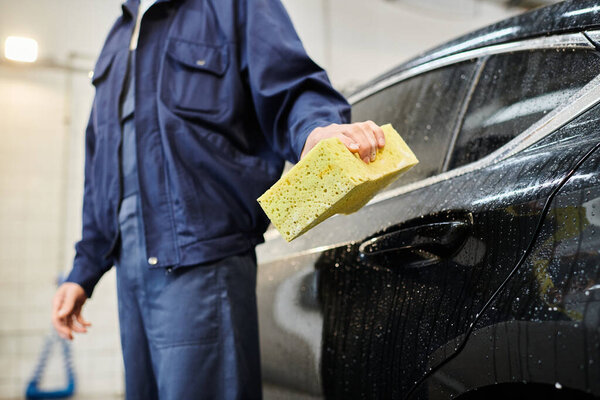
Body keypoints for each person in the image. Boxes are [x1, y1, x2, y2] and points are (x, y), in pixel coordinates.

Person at [51, 0, 385, 398]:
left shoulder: (232, 4)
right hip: (131, 270)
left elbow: (290, 86)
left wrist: (316, 132)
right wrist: (83, 270)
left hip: (203, 257)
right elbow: (102, 161)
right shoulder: (119, 34)